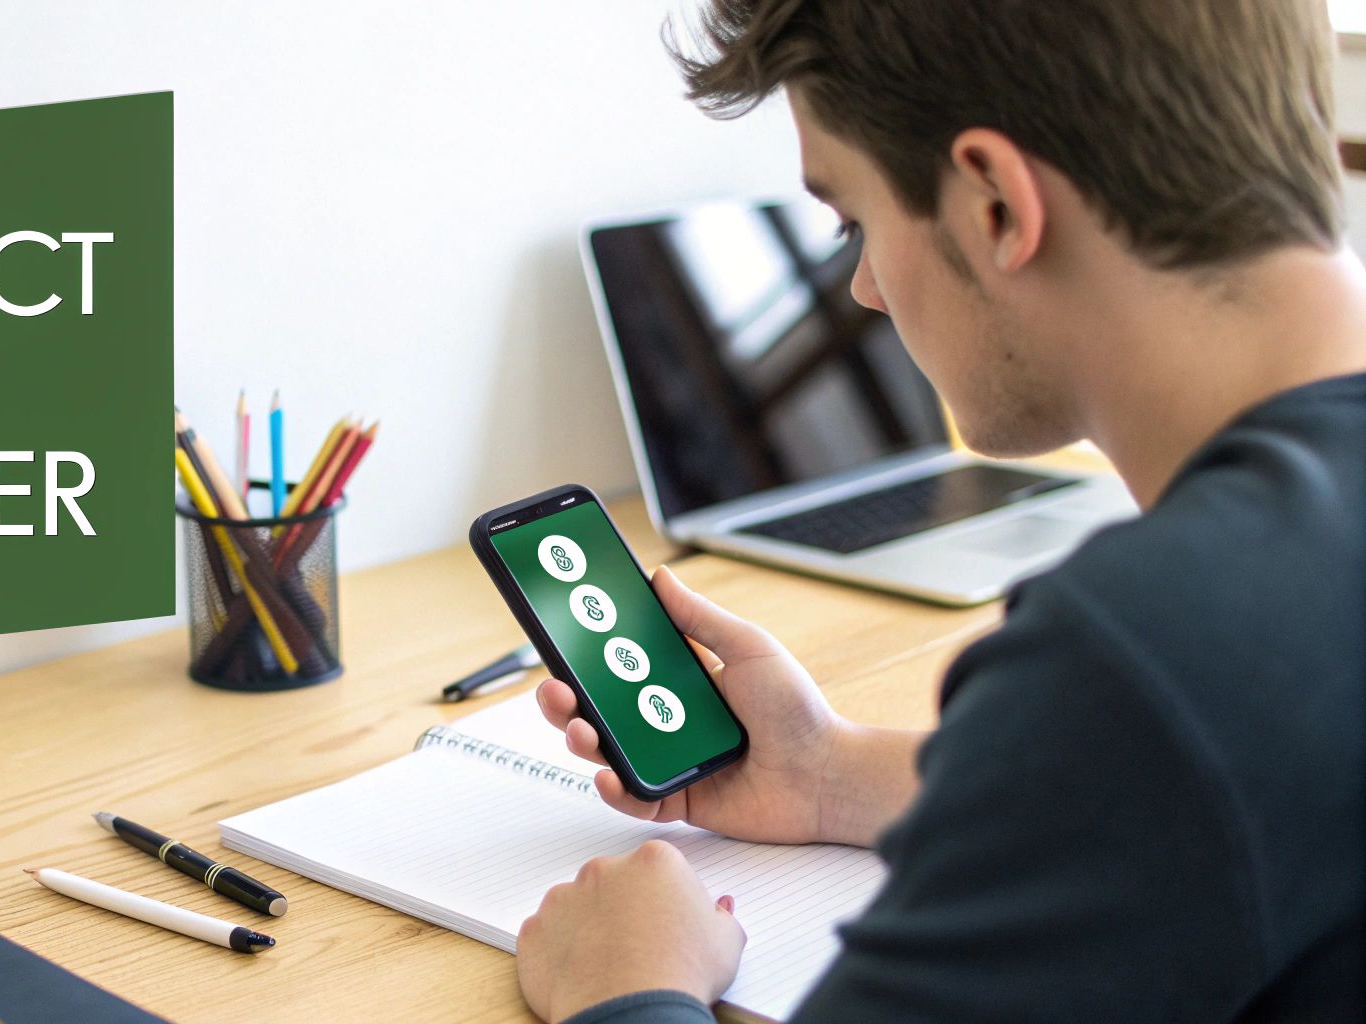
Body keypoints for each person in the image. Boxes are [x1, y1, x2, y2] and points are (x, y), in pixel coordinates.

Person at [515, 2, 1366, 1021]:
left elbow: (1165, 738)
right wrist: (829, 774)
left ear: (992, 204)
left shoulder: (1148, 650)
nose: (865, 289)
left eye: (853, 224)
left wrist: (625, 984)